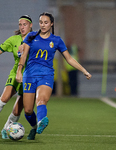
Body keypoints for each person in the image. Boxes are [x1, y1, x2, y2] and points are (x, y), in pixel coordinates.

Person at [16, 12, 92, 140]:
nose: (43, 25)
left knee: (41, 100)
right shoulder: (31, 36)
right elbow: (23, 55)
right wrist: (19, 71)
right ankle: (34, 128)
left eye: (46, 22)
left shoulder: (56, 40)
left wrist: (84, 70)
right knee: (28, 110)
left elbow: (69, 59)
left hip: (46, 75)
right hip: (29, 75)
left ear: (51, 24)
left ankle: (41, 121)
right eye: (41, 22)